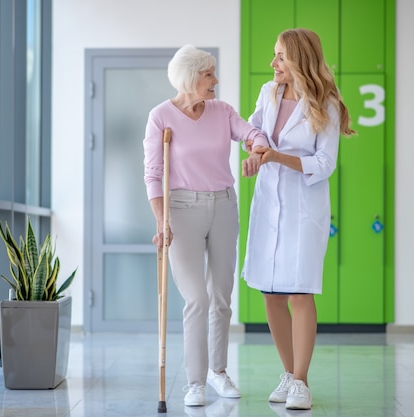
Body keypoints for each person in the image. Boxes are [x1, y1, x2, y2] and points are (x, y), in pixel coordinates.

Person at [143, 44, 268, 407]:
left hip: (224, 206)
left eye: (214, 73)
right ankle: (194, 382)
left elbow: (251, 133)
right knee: (196, 298)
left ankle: (218, 371)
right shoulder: (161, 116)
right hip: (181, 209)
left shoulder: (222, 111)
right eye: (208, 74)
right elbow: (153, 174)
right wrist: (162, 219)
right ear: (190, 78)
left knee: (221, 297)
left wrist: (256, 148)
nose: (216, 80)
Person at [241, 28, 356, 410]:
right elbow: (252, 128)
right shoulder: (269, 93)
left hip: (304, 208)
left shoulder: (328, 103)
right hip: (269, 203)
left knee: (299, 292)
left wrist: (275, 157)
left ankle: (302, 383)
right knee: (270, 293)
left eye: (280, 58)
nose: (272, 64)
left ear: (299, 60)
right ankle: (289, 375)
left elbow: (325, 164)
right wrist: (257, 148)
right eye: (274, 56)